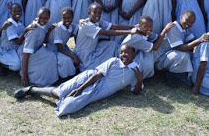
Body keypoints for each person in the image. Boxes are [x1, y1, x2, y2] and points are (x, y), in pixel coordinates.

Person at [14, 44, 144, 117]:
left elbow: (136, 92)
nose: (123, 55)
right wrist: (79, 88)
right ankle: (32, 89)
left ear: (134, 54)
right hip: (90, 78)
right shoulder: (114, 61)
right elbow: (97, 75)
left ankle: (37, 91)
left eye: (126, 52)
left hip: (98, 90)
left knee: (67, 107)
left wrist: (139, 81)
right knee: (61, 92)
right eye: (121, 52)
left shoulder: (136, 71)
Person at [155, 10, 209, 87]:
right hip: (161, 57)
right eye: (187, 20)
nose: (188, 24)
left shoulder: (184, 28)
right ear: (181, 17)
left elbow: (193, 40)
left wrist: (206, 41)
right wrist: (199, 40)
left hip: (170, 54)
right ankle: (168, 74)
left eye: (191, 23)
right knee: (184, 56)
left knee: (192, 56)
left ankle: (180, 74)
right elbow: (182, 48)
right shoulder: (173, 27)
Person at [74, 3, 137, 71]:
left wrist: (133, 26)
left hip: (92, 49)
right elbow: (107, 32)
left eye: (99, 13)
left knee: (112, 44)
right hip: (83, 55)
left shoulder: (97, 22)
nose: (97, 15)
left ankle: (120, 62)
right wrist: (129, 32)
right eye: (95, 12)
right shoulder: (86, 25)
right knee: (95, 68)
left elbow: (114, 26)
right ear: (89, 13)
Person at [18, 7, 59, 87]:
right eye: (40, 17)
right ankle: (38, 80)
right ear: (37, 16)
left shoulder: (43, 26)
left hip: (37, 51)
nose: (42, 20)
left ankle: (49, 79)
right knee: (45, 62)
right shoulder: (33, 30)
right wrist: (24, 74)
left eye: (45, 18)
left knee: (51, 56)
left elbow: (44, 41)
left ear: (49, 18)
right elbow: (26, 53)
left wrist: (50, 30)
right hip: (28, 55)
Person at [45, 7, 81, 78]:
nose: (67, 20)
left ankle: (74, 74)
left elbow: (77, 30)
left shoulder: (71, 26)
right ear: (61, 18)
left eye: (69, 17)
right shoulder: (58, 28)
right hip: (54, 49)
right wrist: (74, 57)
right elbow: (60, 49)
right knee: (66, 60)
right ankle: (64, 77)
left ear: (73, 17)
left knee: (77, 57)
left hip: (63, 48)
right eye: (64, 18)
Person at [0, 3, 30, 76]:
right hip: (7, 50)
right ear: (10, 12)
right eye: (14, 11)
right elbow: (18, 41)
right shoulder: (9, 24)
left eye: (19, 11)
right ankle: (2, 65)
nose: (17, 13)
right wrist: (26, 30)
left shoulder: (20, 23)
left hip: (16, 49)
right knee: (17, 66)